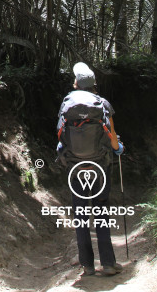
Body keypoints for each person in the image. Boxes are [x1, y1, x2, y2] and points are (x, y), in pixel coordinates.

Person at [56, 62, 124, 277]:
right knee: (101, 212)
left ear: (75, 84)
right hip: (100, 166)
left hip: (75, 168)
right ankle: (109, 264)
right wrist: (119, 148)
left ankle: (87, 265)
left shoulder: (67, 103)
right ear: (94, 85)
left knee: (81, 214)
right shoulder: (102, 104)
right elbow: (112, 139)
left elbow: (60, 136)